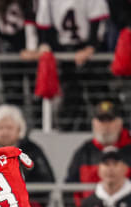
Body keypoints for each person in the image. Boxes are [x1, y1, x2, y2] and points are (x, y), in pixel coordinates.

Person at [59, 99, 131, 207]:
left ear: (119, 123)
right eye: (101, 121)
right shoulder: (83, 152)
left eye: (110, 121)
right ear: (94, 123)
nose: (105, 126)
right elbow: (68, 189)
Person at [36, 0, 110, 131]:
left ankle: (105, 125)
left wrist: (90, 47)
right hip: (64, 50)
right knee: (70, 94)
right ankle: (70, 128)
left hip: (90, 48)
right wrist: (48, 46)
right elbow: (44, 24)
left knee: (98, 91)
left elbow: (98, 18)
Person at [0, 104, 54, 207]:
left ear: (19, 130)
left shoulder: (32, 150)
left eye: (9, 128)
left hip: (26, 204)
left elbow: (47, 180)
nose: (5, 132)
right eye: (0, 128)